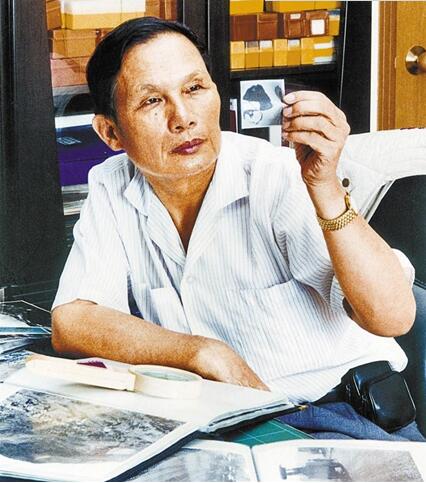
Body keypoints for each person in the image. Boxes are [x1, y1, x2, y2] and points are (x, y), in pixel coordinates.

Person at [51, 17, 423, 441]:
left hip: (338, 418)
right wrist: (200, 352)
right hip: (218, 422)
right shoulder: (112, 184)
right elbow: (73, 320)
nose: (183, 118)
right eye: (153, 101)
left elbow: (393, 316)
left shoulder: (276, 176)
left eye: (194, 88)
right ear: (111, 132)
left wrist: (325, 187)